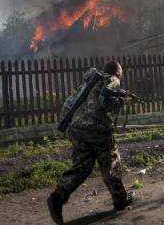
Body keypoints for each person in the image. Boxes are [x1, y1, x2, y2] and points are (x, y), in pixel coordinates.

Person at [47, 61, 133, 224]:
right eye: (120, 73)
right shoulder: (112, 80)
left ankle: (57, 198)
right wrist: (122, 101)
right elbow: (106, 103)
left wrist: (71, 130)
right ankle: (120, 200)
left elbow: (68, 104)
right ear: (116, 72)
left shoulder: (88, 83)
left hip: (76, 129)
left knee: (82, 167)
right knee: (111, 163)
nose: (121, 75)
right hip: (98, 130)